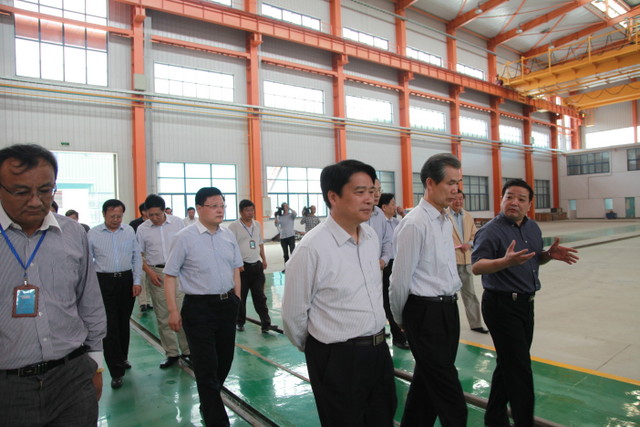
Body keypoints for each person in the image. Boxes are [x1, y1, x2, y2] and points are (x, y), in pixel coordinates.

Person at [282, 159, 397, 427]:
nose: (369, 199)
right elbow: (293, 316)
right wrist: (323, 350)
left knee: (382, 418)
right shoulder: (312, 248)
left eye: (372, 191)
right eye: (360, 192)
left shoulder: (370, 237)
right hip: (337, 357)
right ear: (333, 197)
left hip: (378, 351)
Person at [0, 144, 106, 425]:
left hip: (72, 376)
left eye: (46, 190)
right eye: (21, 192)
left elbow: (89, 301)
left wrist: (96, 366)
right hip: (8, 386)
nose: (36, 201)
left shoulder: (73, 233)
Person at [472, 179, 579, 427]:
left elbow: (532, 260)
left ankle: (494, 418)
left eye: (521, 199)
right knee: (520, 368)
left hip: (525, 304)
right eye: (509, 197)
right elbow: (477, 266)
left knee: (509, 363)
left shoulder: (532, 228)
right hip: (501, 305)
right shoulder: (490, 230)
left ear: (529, 204)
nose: (514, 202)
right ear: (501, 200)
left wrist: (547, 256)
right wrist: (504, 262)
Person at [390, 152, 467, 426]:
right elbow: (399, 279)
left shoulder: (444, 220)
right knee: (451, 399)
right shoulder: (415, 224)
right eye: (450, 183)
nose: (456, 189)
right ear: (430, 183)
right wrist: (401, 319)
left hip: (447, 310)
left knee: (425, 388)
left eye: (458, 183)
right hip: (424, 314)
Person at [164, 187, 242, 427]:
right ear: (199, 209)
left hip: (226, 305)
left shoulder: (228, 235)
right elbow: (170, 275)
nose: (220, 210)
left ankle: (208, 402)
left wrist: (237, 299)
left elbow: (236, 268)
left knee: (225, 361)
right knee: (206, 367)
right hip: (198, 308)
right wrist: (173, 310)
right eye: (214, 206)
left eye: (222, 205)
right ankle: (216, 419)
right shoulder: (184, 237)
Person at [88, 199, 142, 390]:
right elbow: (88, 262)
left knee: (123, 322)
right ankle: (116, 371)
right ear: (104, 214)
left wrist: (136, 281)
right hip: (104, 282)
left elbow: (136, 256)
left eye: (119, 216)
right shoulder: (93, 234)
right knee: (110, 327)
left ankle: (123, 357)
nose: (116, 220)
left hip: (126, 281)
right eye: (112, 216)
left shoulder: (129, 231)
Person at [136, 194, 190, 368]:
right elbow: (139, 255)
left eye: (157, 214)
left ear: (164, 211)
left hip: (178, 273)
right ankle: (172, 353)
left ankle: (187, 351)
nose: (154, 218)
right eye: (150, 215)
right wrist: (150, 273)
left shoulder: (177, 223)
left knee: (182, 312)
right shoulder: (142, 229)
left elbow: (187, 247)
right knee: (163, 315)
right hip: (157, 274)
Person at [228, 199, 277, 333]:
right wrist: (236, 264)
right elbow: (231, 247)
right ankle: (240, 322)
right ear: (241, 212)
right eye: (247, 210)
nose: (250, 213)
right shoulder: (234, 227)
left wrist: (264, 259)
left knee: (260, 296)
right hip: (242, 268)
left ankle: (266, 323)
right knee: (241, 296)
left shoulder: (257, 224)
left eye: (252, 210)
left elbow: (259, 243)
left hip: (257, 266)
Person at [448, 190, 488, 333]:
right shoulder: (443, 216)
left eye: (460, 199)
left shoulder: (468, 216)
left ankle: (476, 324)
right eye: (455, 199)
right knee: (448, 296)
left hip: (466, 260)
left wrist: (469, 244)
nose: (458, 201)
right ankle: (448, 326)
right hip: (450, 262)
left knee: (470, 293)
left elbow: (475, 236)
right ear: (450, 200)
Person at [378, 193, 408, 349]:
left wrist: (403, 214)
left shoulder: (397, 222)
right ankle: (398, 337)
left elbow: (410, 227)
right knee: (386, 301)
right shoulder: (378, 223)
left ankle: (396, 332)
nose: (395, 206)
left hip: (397, 264)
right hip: (384, 266)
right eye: (392, 204)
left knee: (393, 299)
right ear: (384, 207)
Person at [366, 179, 392, 272]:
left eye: (379, 190)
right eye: (373, 190)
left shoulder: (380, 214)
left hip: (378, 269)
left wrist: (384, 260)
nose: (377, 194)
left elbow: (386, 240)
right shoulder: (356, 215)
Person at [130, 203, 152, 313]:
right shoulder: (134, 224)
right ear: (143, 212)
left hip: (150, 255)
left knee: (150, 279)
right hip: (139, 254)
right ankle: (143, 302)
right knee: (142, 278)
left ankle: (149, 301)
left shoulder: (153, 223)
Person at [274, 202, 296, 271]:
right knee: (285, 254)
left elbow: (295, 213)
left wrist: (289, 208)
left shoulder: (291, 215)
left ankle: (294, 267)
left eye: (286, 206)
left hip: (291, 236)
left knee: (293, 252)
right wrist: (275, 217)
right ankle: (287, 267)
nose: (285, 207)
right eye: (284, 206)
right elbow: (276, 225)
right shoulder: (280, 217)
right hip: (283, 237)